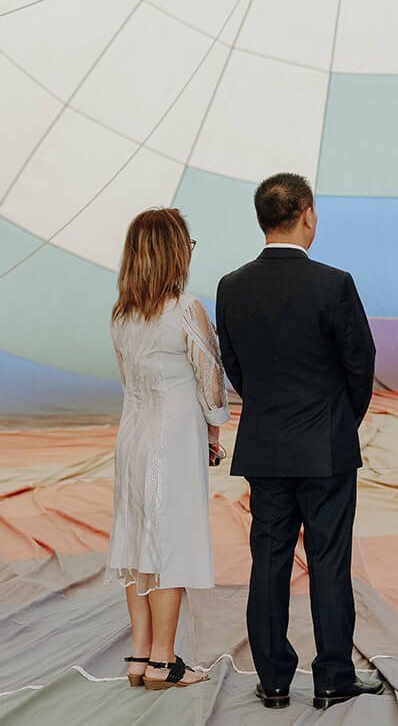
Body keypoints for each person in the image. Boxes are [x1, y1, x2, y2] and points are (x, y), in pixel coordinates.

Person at [216, 173, 382, 711]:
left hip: (265, 446)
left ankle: (274, 680)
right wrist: (339, 420)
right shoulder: (334, 283)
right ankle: (333, 676)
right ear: (307, 214)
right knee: (330, 561)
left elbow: (234, 364)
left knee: (269, 560)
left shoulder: (231, 286)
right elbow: (361, 365)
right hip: (326, 448)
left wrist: (265, 409)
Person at [107, 208, 229, 691]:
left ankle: (139, 656)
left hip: (131, 436)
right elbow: (210, 381)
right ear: (174, 251)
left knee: (137, 541)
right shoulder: (186, 309)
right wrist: (215, 433)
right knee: (170, 542)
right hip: (174, 440)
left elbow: (127, 379)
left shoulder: (122, 315)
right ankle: (164, 660)